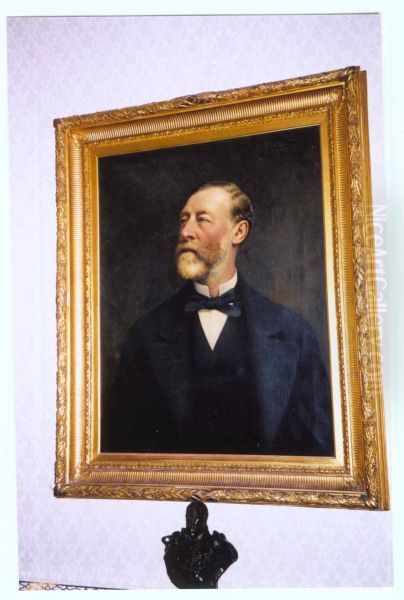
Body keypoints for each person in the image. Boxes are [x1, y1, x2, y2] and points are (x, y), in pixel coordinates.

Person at [105, 181, 334, 456]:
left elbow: (317, 448)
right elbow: (122, 446)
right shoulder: (146, 334)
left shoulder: (293, 333)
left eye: (202, 219)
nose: (185, 232)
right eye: (184, 220)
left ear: (238, 231)